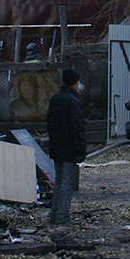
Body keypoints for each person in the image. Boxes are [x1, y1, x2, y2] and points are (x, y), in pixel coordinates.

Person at [47, 68, 86, 224]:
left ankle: (55, 214)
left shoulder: (55, 99)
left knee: (59, 182)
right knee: (66, 184)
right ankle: (62, 216)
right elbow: (75, 128)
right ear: (74, 83)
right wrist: (80, 148)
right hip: (68, 147)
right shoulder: (72, 102)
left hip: (56, 145)